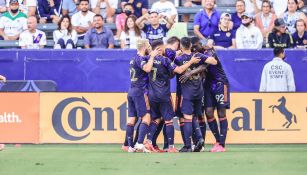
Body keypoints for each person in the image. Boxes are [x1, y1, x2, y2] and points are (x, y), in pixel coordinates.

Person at [144, 40, 202, 153]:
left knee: (156, 118)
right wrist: (191, 61)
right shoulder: (165, 60)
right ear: (160, 49)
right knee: (168, 120)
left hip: (152, 95)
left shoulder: (147, 59)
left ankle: (149, 142)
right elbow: (179, 70)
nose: (165, 49)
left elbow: (166, 73)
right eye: (164, 47)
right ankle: (170, 146)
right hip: (164, 94)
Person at [174, 37, 217, 152]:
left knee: (187, 118)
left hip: (186, 92)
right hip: (199, 91)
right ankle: (199, 139)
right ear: (190, 46)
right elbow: (214, 61)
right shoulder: (198, 55)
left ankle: (188, 146)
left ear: (181, 46)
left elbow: (174, 72)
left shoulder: (179, 59)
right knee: (194, 117)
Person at [125, 39, 158, 152]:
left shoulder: (133, 58)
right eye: (148, 45)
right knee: (146, 117)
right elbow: (147, 68)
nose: (150, 47)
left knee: (131, 119)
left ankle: (130, 146)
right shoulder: (140, 58)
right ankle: (139, 144)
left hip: (131, 91)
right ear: (144, 47)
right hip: (140, 91)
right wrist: (152, 57)